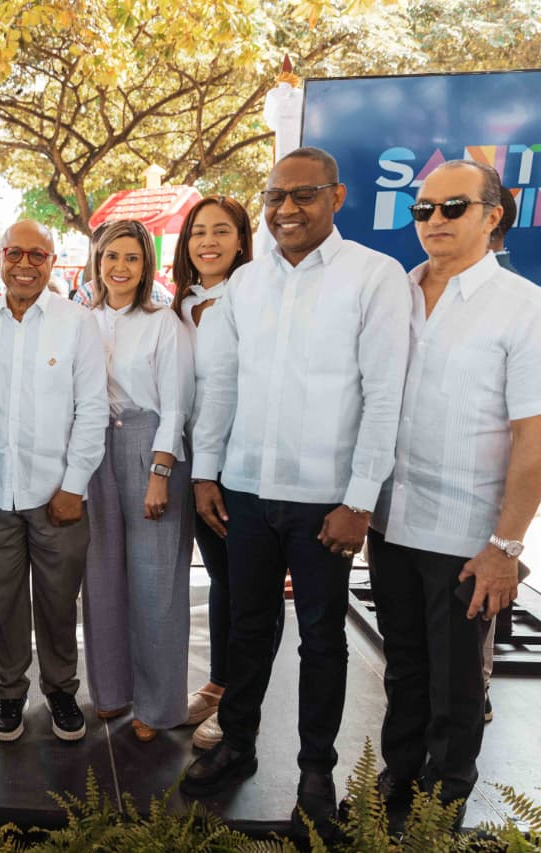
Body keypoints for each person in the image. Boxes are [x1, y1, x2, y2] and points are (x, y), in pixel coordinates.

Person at [181, 147, 410, 841]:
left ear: (336, 197)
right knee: (248, 627)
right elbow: (220, 384)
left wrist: (360, 498)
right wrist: (206, 472)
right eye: (275, 196)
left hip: (325, 500)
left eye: (302, 195)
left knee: (321, 638)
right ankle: (239, 744)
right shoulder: (245, 285)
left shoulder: (374, 277)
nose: (285, 208)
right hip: (246, 490)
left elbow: (382, 395)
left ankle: (316, 769)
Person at [367, 160, 541, 832]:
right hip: (391, 522)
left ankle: (437, 816)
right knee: (403, 675)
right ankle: (392, 787)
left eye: (452, 207)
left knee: (458, 692)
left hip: (466, 536)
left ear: (494, 215)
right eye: (422, 210)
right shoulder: (395, 291)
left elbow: (537, 439)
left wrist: (505, 547)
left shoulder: (532, 309)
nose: (433, 222)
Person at [0, 220, 108, 743]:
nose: (25, 264)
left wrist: (73, 487)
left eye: (37, 255)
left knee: (57, 600)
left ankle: (62, 690)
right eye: (15, 253)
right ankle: (9, 694)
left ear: (52, 262)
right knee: (2, 603)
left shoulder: (77, 323)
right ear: (0, 258)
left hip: (57, 497)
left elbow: (92, 410)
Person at [169, 195, 279, 751]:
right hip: (192, 459)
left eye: (221, 230)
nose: (207, 242)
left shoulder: (253, 295)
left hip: (238, 462)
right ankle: (218, 684)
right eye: (197, 233)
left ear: (242, 239)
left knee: (247, 585)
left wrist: (210, 467)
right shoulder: (182, 303)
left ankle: (240, 705)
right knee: (221, 579)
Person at [80, 219, 195, 742]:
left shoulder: (162, 323)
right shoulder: (82, 320)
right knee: (100, 574)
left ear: (146, 265)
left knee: (155, 582)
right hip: (94, 445)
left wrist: (160, 473)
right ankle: (111, 692)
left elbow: (176, 405)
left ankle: (158, 704)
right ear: (97, 260)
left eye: (131, 257)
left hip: (151, 446)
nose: (119, 267)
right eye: (111, 256)